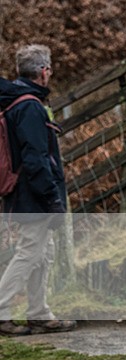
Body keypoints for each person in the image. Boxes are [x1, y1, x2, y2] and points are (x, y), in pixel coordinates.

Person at [0, 44, 76, 335]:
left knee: (45, 252)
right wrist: (52, 198)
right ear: (43, 72)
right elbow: (36, 158)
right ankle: (3, 309)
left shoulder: (18, 101)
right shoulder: (30, 106)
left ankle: (39, 312)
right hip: (33, 194)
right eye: (50, 69)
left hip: (26, 192)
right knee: (30, 252)